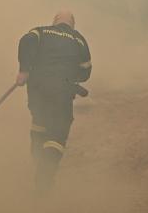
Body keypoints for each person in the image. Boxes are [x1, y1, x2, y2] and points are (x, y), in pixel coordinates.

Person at [15, 10, 92, 195]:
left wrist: (24, 70)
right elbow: (85, 72)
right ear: (72, 23)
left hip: (37, 88)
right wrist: (72, 77)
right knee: (57, 134)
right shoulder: (79, 40)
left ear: (55, 21)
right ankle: (44, 178)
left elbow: (25, 41)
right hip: (62, 92)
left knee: (40, 122)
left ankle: (37, 157)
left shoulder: (40, 32)